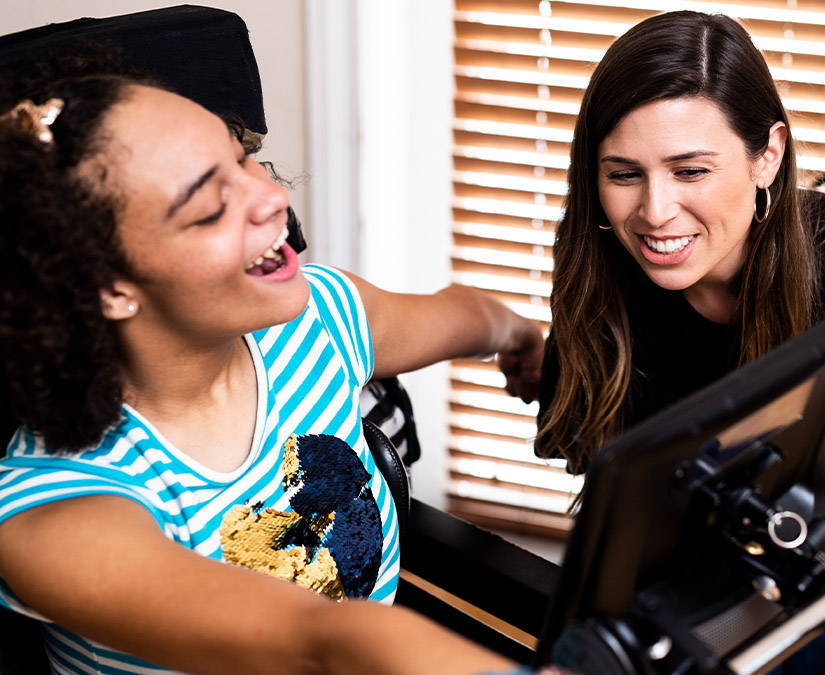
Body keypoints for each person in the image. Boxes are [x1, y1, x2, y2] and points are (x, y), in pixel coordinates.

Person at [0, 55, 547, 674]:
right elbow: (317, 638)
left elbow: (463, 315)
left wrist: (525, 340)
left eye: (241, 158)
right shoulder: (53, 512)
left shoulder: (320, 320)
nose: (272, 196)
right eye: (209, 207)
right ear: (108, 287)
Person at [533, 10, 822, 474]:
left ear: (768, 156)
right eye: (625, 174)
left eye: (690, 171)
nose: (655, 211)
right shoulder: (598, 278)